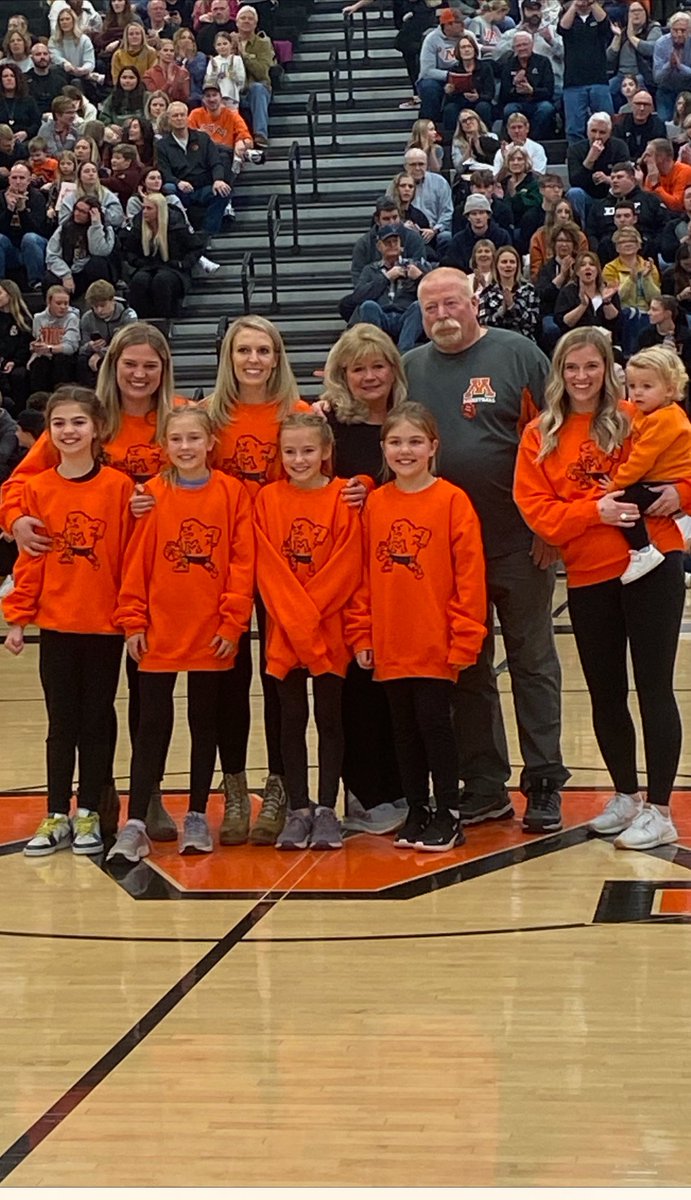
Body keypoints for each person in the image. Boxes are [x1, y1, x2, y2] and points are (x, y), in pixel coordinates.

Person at [405, 268, 569, 833]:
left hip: (520, 545)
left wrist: (551, 527)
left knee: (533, 663)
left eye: (451, 303)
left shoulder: (517, 354)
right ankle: (484, 784)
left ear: (474, 301)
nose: (443, 315)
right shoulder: (411, 369)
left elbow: (556, 439)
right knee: (468, 671)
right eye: (431, 309)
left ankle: (545, 780)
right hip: (447, 558)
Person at [0, 322, 178, 840]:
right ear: (112, 365)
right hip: (85, 595)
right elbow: (21, 485)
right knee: (85, 709)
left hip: (155, 583)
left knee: (148, 700)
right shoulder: (81, 420)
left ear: (163, 370)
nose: (139, 373)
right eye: (130, 363)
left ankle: (150, 797)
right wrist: (15, 522)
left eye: (150, 364)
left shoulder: (181, 418)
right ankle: (96, 800)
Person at [514, 327, 689, 851]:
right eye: (572, 367)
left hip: (654, 562)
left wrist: (679, 494)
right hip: (589, 573)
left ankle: (660, 808)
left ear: (608, 370)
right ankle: (625, 795)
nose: (582, 377)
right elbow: (539, 512)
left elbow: (684, 465)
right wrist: (596, 510)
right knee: (605, 692)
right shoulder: (540, 434)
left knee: (654, 686)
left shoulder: (638, 416)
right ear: (558, 373)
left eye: (592, 366)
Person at [110, 405, 255, 861]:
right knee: (151, 724)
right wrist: (133, 619)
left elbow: (241, 564)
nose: (186, 447)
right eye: (177, 440)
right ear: (163, 446)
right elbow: (135, 564)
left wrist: (233, 623)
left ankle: (196, 814)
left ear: (211, 442)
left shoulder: (233, 494)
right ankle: (135, 822)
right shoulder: (151, 495)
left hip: (212, 632)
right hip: (159, 631)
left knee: (204, 723)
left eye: (195, 438)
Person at [347, 401, 487, 852]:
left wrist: (465, 637)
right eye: (395, 442)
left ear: (432, 447)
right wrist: (363, 633)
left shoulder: (452, 501)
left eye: (414, 441)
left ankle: (449, 812)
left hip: (436, 641)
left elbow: (470, 578)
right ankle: (418, 808)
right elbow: (362, 577)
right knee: (402, 731)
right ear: (383, 447)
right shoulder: (375, 505)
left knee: (435, 726)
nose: (404, 450)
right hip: (391, 641)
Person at [2, 386, 130, 861]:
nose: (68, 431)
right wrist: (17, 620)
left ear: (96, 428)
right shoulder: (37, 488)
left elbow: (129, 560)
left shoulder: (118, 489)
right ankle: (56, 811)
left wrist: (133, 618)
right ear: (49, 432)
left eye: (78, 422)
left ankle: (91, 812)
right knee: (61, 723)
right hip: (55, 626)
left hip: (104, 627)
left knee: (97, 720)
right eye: (59, 424)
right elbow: (29, 563)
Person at [202, 316, 310, 846]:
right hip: (219, 568)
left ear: (277, 356)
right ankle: (236, 787)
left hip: (281, 567)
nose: (252, 360)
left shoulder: (300, 416)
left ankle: (280, 785)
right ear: (228, 357)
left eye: (263, 350)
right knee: (227, 677)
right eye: (243, 350)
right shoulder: (207, 417)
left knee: (279, 679)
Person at [253, 413, 362, 851]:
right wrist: (298, 621)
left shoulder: (343, 497)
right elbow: (267, 568)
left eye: (308, 450)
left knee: (331, 720)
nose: (299, 459)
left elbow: (347, 564)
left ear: (326, 452)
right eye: (291, 451)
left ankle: (328, 810)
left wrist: (307, 618)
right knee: (291, 720)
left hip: (328, 632)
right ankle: (298, 809)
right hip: (284, 632)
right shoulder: (266, 499)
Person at [319, 325, 408, 835]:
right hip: (348, 577)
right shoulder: (328, 425)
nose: (369, 376)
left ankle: (405, 785)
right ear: (342, 375)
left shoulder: (408, 421)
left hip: (401, 574)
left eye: (378, 366)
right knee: (357, 685)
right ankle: (364, 793)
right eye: (358, 368)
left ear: (394, 369)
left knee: (403, 682)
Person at [602, 347, 691, 583]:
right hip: (663, 481)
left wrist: (614, 485)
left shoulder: (664, 418)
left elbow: (641, 460)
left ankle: (643, 551)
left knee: (622, 501)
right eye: (632, 386)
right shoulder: (649, 413)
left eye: (647, 387)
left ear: (670, 389)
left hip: (667, 482)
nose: (637, 393)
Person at [340, 223, 432, 353]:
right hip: (381, 316)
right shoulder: (370, 269)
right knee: (368, 306)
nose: (392, 245)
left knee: (418, 306)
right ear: (379, 246)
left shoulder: (415, 266)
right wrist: (386, 277)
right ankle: (377, 350)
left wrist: (419, 277)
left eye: (395, 241)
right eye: (387, 242)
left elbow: (433, 291)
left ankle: (404, 352)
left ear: (401, 244)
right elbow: (358, 297)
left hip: (405, 316)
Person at [120, 192, 203, 317]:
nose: (144, 212)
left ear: (159, 210)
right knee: (139, 281)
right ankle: (142, 321)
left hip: (174, 268)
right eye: (143, 208)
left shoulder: (177, 227)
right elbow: (128, 250)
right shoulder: (138, 227)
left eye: (149, 208)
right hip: (147, 267)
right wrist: (136, 262)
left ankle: (165, 319)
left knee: (162, 280)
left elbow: (196, 248)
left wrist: (183, 264)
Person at [156, 100, 231, 233]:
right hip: (180, 189)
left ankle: (207, 233)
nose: (179, 118)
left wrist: (218, 180)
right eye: (175, 116)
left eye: (182, 115)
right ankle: (183, 231)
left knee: (223, 191)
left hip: (203, 186)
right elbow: (164, 171)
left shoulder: (203, 138)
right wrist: (178, 182)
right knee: (168, 187)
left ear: (187, 116)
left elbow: (216, 163)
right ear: (168, 119)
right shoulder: (162, 145)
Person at [558, 0, 613, 143]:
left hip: (599, 80)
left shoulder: (598, 16)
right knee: (574, 129)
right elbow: (562, 29)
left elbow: (606, 25)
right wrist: (575, 5)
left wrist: (592, 2)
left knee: (606, 122)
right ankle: (576, 159)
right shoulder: (568, 17)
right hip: (573, 82)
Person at [601, 224, 661, 354]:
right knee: (632, 314)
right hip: (622, 313)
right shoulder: (610, 268)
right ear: (616, 247)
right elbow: (616, 298)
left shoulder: (649, 266)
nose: (627, 244)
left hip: (647, 311)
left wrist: (646, 279)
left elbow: (655, 298)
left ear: (639, 245)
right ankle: (631, 354)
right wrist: (631, 280)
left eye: (632, 241)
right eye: (622, 241)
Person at [44, 195, 116, 298]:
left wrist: (95, 226)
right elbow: (52, 255)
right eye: (76, 209)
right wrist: (65, 275)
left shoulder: (106, 229)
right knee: (49, 278)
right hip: (68, 271)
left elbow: (99, 252)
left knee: (98, 263)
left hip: (87, 272)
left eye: (82, 212)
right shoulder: (64, 228)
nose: (77, 214)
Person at [565, 112, 629, 225]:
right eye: (593, 131)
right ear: (587, 131)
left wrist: (608, 179)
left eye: (602, 132)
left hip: (612, 196)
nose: (597, 136)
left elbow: (627, 179)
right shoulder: (575, 149)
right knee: (574, 193)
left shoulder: (619, 146)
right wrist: (590, 160)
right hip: (588, 196)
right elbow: (575, 182)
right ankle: (580, 231)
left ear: (609, 133)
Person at [350, 195, 427, 287]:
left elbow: (420, 269)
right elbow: (358, 282)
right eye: (386, 219)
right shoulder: (364, 244)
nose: (392, 223)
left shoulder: (414, 239)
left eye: (395, 217)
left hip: (407, 293)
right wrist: (385, 278)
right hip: (375, 297)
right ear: (377, 220)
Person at [78, 279, 138, 386]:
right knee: (82, 361)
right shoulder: (87, 318)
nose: (99, 310)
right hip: (94, 355)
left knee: (107, 362)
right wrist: (90, 346)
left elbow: (129, 343)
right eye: (95, 306)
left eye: (102, 305)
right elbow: (81, 348)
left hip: (120, 354)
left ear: (112, 300)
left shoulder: (128, 315)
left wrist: (101, 354)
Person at [0, 161, 48, 290]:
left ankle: (36, 284)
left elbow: (39, 229)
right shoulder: (1, 197)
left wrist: (22, 211)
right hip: (11, 250)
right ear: (9, 179)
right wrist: (10, 210)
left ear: (28, 180)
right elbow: (2, 230)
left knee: (29, 238)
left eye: (22, 178)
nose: (18, 181)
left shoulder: (37, 197)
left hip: (34, 247)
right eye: (14, 178)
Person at [499, 30, 555, 140]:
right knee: (509, 110)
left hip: (538, 101)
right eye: (518, 45)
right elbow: (503, 95)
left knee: (546, 108)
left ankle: (534, 140)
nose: (522, 48)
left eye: (525, 44)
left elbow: (549, 91)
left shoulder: (543, 62)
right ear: (514, 48)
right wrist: (515, 88)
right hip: (516, 102)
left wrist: (532, 91)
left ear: (532, 45)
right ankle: (515, 139)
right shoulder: (508, 64)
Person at [477, 243, 540, 340]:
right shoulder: (487, 292)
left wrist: (512, 307)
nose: (508, 265)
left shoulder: (529, 290)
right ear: (496, 266)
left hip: (523, 340)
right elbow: (483, 324)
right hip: (495, 341)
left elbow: (533, 323)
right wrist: (501, 312)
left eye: (512, 262)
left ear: (517, 266)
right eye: (504, 262)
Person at [554, 249, 622, 338]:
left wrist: (607, 302)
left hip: (605, 340)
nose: (588, 267)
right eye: (582, 265)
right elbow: (565, 323)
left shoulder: (607, 290)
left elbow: (615, 321)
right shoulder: (568, 291)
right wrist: (583, 305)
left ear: (597, 270)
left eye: (592, 264)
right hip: (577, 339)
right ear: (577, 272)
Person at [416, 7, 466, 124]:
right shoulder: (431, 39)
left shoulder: (467, 36)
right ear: (448, 25)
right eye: (459, 23)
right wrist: (449, 75)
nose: (463, 25)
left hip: (463, 74)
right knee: (429, 87)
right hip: (439, 77)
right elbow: (427, 71)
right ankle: (429, 125)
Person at [235, 5, 274, 148]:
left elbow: (262, 72)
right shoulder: (228, 41)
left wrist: (244, 56)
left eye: (250, 19)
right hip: (235, 89)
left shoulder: (263, 43)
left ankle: (260, 134)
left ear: (255, 24)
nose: (246, 21)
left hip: (255, 90)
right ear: (237, 22)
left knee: (257, 88)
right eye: (243, 18)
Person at [607, 4, 662, 106]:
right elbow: (609, 57)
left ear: (646, 13)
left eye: (639, 10)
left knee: (637, 87)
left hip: (641, 74)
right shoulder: (622, 32)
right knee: (607, 90)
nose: (636, 14)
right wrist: (617, 38)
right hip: (621, 75)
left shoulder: (653, 29)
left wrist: (632, 37)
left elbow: (651, 49)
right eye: (632, 11)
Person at [28, 285, 80, 392]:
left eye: (66, 303)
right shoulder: (38, 318)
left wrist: (49, 348)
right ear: (49, 302)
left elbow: (71, 347)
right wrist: (35, 346)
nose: (63, 307)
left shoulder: (72, 318)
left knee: (60, 361)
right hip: (44, 356)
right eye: (58, 303)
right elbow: (37, 339)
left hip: (64, 357)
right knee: (40, 364)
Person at [442, 193, 511, 272]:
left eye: (481, 213)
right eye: (474, 214)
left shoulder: (502, 236)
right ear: (468, 217)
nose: (478, 217)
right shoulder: (458, 240)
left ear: (488, 215)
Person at [442, 31, 495, 132]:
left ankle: (485, 136)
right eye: (463, 47)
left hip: (480, 101)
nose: (466, 50)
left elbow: (490, 93)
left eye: (469, 47)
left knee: (483, 107)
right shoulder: (454, 69)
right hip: (460, 101)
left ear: (474, 50)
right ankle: (451, 139)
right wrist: (449, 91)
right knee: (450, 109)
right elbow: (450, 98)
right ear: (458, 51)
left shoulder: (485, 67)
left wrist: (478, 97)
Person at [403, 146, 453, 250]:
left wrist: (435, 230)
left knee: (446, 237)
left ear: (427, 165)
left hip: (434, 232)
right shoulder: (397, 185)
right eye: (413, 164)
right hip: (407, 232)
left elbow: (447, 212)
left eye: (421, 164)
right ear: (405, 166)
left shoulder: (440, 182)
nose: (417, 168)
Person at [637, 294, 691, 378]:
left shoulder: (686, 335)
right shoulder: (645, 335)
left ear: (667, 314)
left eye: (654, 310)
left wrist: (674, 358)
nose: (649, 313)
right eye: (650, 309)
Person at [653, 10, 691, 123]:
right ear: (670, 29)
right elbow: (657, 78)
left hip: (687, 89)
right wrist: (669, 65)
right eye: (675, 30)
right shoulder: (661, 43)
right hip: (666, 89)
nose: (679, 34)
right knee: (663, 122)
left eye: (683, 31)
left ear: (689, 31)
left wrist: (680, 67)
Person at [0, 279, 32, 413]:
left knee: (18, 375)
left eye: (0, 293)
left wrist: (14, 361)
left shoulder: (24, 319)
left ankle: (18, 413)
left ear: (10, 295)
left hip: (17, 362)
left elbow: (24, 346)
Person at [642, 137, 691, 212]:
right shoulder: (651, 175)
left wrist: (656, 186)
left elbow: (677, 206)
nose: (645, 160)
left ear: (661, 157)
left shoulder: (684, 171)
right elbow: (647, 204)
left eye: (648, 155)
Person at [491, 111, 547, 176]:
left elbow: (539, 176)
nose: (516, 131)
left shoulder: (537, 149)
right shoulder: (502, 151)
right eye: (513, 128)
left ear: (527, 129)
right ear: (508, 130)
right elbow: (496, 180)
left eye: (520, 127)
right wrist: (505, 160)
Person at [48, 6, 96, 80]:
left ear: (74, 21)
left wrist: (82, 69)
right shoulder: (53, 40)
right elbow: (55, 57)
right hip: (61, 74)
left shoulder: (84, 40)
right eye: (61, 20)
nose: (64, 22)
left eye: (67, 19)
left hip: (82, 76)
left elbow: (90, 62)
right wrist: (65, 64)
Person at [617, 90, 666, 160]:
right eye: (638, 104)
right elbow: (618, 152)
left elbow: (660, 153)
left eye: (646, 105)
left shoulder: (658, 126)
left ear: (652, 108)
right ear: (631, 106)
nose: (642, 108)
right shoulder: (620, 124)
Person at [202, 30, 245, 107]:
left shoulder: (237, 59)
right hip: (217, 97)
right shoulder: (213, 61)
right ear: (215, 47)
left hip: (232, 96)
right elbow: (208, 81)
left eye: (225, 44)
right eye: (219, 44)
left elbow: (241, 80)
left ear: (231, 45)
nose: (222, 47)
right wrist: (215, 74)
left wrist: (232, 75)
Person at [25, 41, 68, 115]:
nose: (42, 57)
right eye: (38, 54)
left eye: (45, 54)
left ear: (50, 56)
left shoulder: (59, 80)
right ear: (31, 58)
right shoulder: (24, 80)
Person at [0, 65, 41, 142]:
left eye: (12, 76)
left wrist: (26, 133)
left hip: (24, 141)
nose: (9, 79)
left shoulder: (29, 101)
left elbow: (37, 123)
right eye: (5, 76)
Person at [143, 37, 191, 101]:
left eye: (172, 51)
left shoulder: (183, 72)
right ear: (158, 53)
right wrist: (168, 83)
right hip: (158, 106)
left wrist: (179, 84)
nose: (169, 53)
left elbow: (185, 97)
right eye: (165, 50)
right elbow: (154, 97)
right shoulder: (148, 74)